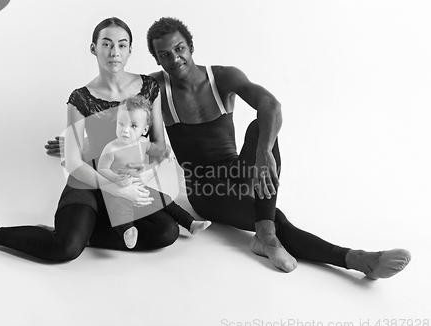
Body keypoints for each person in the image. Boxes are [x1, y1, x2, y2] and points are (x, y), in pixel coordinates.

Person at [45, 17, 411, 279]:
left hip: (240, 170)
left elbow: (272, 106)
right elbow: (123, 116)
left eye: (180, 49)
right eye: (165, 55)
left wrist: (264, 151)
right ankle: (357, 259)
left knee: (261, 126)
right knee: (277, 219)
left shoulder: (224, 77)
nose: (176, 59)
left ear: (191, 46)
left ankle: (265, 235)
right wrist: (74, 138)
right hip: (207, 190)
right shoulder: (155, 88)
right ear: (156, 60)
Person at [0, 17, 180, 262]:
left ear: (130, 50)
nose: (115, 52)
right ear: (94, 48)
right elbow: (73, 162)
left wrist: (136, 175)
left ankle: (81, 233)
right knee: (65, 249)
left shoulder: (149, 87)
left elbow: (159, 145)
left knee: (166, 232)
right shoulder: (79, 98)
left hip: (126, 181)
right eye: (107, 44)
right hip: (89, 183)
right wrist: (114, 185)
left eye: (122, 45)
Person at [97, 95, 211, 248]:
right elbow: (101, 169)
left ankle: (190, 223)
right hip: (118, 191)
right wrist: (116, 178)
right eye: (121, 124)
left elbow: (158, 150)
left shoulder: (144, 143)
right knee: (120, 208)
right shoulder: (112, 148)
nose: (125, 130)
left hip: (140, 188)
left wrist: (167, 152)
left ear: (144, 130)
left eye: (133, 126)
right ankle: (127, 231)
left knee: (166, 200)